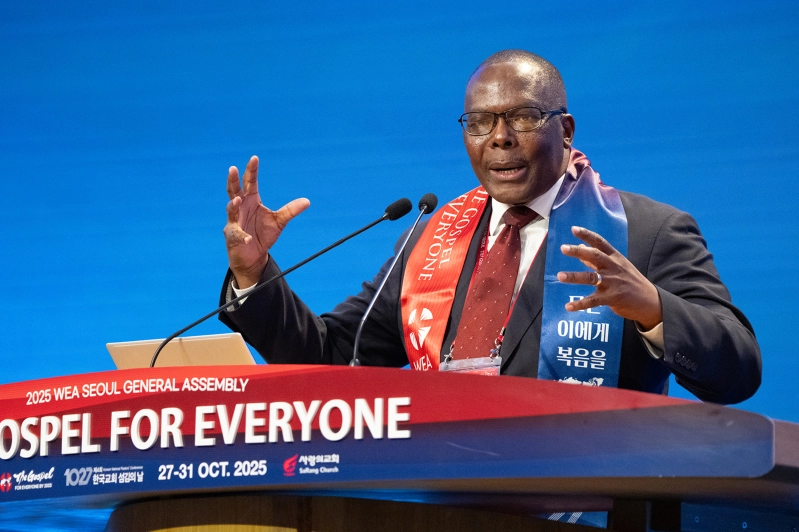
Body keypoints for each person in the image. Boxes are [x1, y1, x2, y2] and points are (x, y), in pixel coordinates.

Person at [218, 50, 761, 405]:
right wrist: (256, 274)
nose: (499, 138)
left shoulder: (645, 231)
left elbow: (738, 370)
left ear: (565, 130)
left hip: (589, 501)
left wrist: (653, 308)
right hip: (445, 499)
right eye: (479, 123)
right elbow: (339, 357)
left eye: (523, 118)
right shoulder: (431, 240)